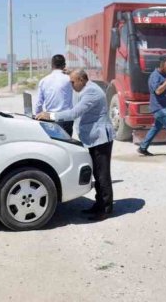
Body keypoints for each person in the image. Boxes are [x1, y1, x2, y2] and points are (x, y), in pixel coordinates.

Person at [36, 69, 115, 220]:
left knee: (102, 174)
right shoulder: (85, 88)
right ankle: (99, 204)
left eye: (72, 82)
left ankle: (106, 208)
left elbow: (73, 113)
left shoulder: (91, 92)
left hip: (100, 138)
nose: (71, 85)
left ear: (81, 80)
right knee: (97, 173)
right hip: (94, 138)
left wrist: (50, 115)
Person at [137, 56, 166, 160]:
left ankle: (143, 147)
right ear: (161, 66)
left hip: (164, 107)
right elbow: (158, 91)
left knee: (156, 127)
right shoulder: (155, 76)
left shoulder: (164, 75)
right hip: (159, 107)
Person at [34, 54, 75, 136]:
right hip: (66, 119)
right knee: (67, 143)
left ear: (52, 65)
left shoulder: (43, 81)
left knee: (53, 142)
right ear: (64, 65)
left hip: (50, 118)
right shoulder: (69, 79)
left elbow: (38, 104)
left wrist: (39, 115)